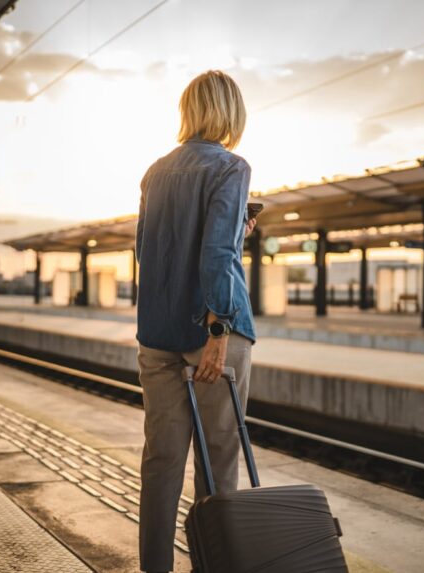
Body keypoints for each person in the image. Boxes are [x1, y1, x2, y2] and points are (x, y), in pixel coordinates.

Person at [134, 70, 257, 573]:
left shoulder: (155, 171)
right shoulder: (232, 167)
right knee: (217, 461)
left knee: (162, 461)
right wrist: (217, 331)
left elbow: (147, 252)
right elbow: (217, 253)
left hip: (158, 334)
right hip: (213, 334)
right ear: (230, 112)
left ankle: (154, 568)